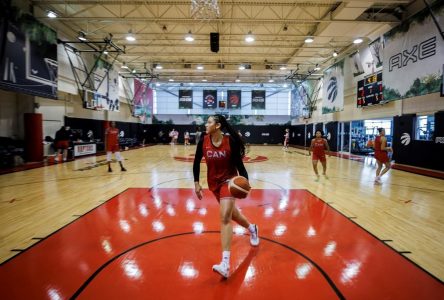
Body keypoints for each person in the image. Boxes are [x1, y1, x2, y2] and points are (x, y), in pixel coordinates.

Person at [193, 114, 259, 279]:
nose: (205, 124)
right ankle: (252, 228)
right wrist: (196, 183)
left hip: (229, 183)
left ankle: (225, 264)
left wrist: (246, 184)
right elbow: (196, 162)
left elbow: (240, 166)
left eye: (209, 122)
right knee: (233, 214)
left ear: (218, 125)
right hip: (213, 183)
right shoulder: (203, 141)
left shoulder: (230, 142)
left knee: (224, 218)